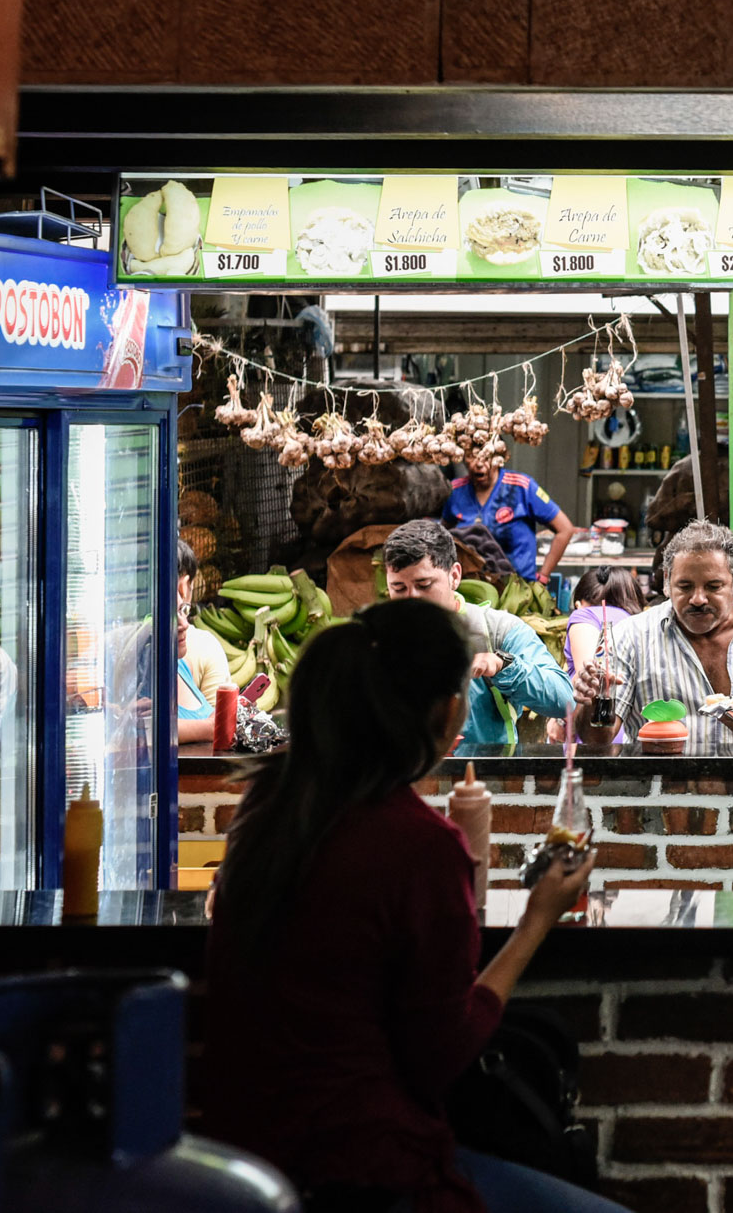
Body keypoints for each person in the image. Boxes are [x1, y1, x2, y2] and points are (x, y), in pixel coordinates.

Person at [203, 599, 626, 1213]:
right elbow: (441, 1053)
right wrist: (537, 921)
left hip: (247, 1156)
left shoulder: (267, 809)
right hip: (363, 1172)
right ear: (450, 712)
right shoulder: (417, 845)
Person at [575, 521, 733, 753]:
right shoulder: (629, 637)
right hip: (657, 789)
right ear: (667, 582)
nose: (698, 599)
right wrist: (590, 701)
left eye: (713, 586)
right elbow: (598, 739)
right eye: (685, 586)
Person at [383, 520, 575, 748]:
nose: (411, 600)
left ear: (454, 576)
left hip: (491, 778)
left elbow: (564, 700)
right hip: (409, 779)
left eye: (424, 585)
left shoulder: (498, 631)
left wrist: (503, 666)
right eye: (398, 588)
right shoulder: (376, 639)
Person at [442, 450, 578, 586]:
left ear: (498, 458)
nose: (479, 464)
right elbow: (443, 536)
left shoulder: (521, 487)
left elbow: (565, 529)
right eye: (472, 456)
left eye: (486, 457)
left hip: (519, 587)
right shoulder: (455, 490)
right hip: (472, 586)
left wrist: (543, 576)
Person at [547, 566, 646, 743]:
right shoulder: (642, 624)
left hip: (593, 731)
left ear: (579, 602)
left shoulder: (583, 616)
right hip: (632, 733)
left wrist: (560, 721)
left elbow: (588, 675)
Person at [176, 538, 232, 744]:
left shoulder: (180, 663)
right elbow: (142, 732)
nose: (183, 624)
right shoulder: (141, 668)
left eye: (183, 610)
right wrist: (210, 728)